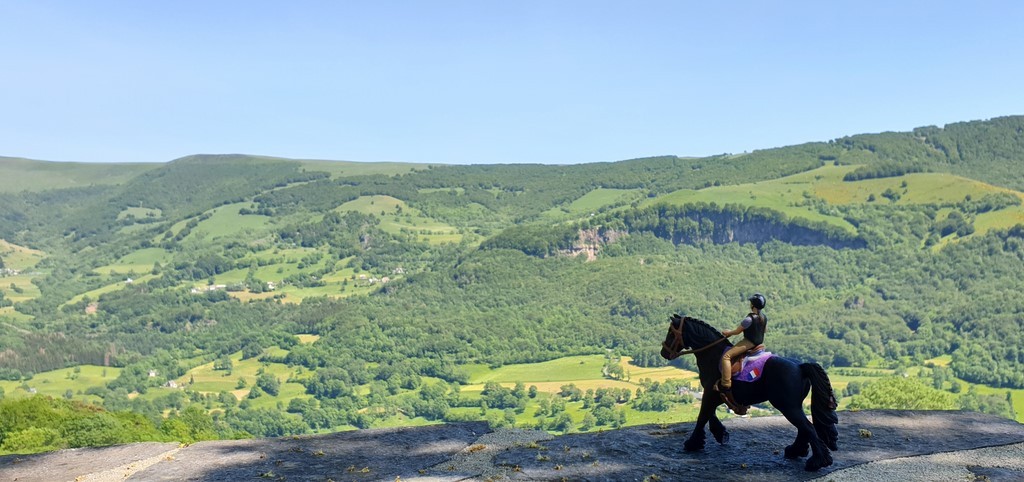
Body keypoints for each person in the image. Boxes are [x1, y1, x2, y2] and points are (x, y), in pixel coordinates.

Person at [717, 293, 768, 413]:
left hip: (749, 342)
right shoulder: (764, 317)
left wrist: (727, 332)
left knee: (726, 356)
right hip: (759, 343)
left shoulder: (749, 319)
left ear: (752, 305)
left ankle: (726, 383)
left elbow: (737, 331)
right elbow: (764, 330)